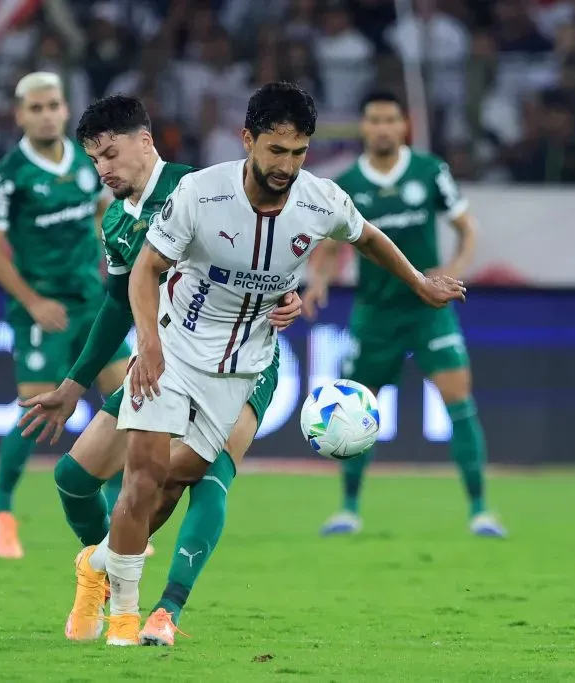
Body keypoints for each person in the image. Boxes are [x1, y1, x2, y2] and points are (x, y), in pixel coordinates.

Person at [107, 81, 465, 646]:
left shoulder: (319, 199)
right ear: (248, 140)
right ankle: (125, 618)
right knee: (143, 477)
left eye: (299, 153)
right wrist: (147, 345)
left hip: (243, 366)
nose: (287, 165)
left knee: (179, 483)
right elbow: (145, 268)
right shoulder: (201, 194)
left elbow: (369, 239)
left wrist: (419, 281)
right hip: (173, 351)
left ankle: (102, 560)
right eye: (276, 150)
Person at [16, 94, 301, 646]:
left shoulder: (202, 189)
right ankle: (101, 566)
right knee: (73, 479)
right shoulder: (119, 221)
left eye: (112, 154)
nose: (103, 169)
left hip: (243, 360)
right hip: (163, 358)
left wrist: (287, 295)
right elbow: (119, 304)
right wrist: (73, 386)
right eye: (95, 159)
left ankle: (164, 611)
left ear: (145, 142)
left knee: (204, 475)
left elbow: (269, 245)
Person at [302, 91, 506, 539]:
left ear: (403, 126)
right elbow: (331, 245)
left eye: (390, 119)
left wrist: (451, 271)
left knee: (460, 404)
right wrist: (318, 280)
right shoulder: (348, 184)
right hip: (374, 314)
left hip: (428, 311)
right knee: (354, 410)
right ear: (363, 127)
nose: (381, 127)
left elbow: (467, 228)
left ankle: (480, 511)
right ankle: (349, 509)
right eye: (373, 119)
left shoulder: (430, 172)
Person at [0, 72, 131, 559]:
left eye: (53, 105)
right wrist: (33, 301)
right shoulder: (8, 175)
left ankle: (119, 518)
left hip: (92, 302)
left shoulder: (88, 164)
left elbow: (107, 211)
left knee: (128, 403)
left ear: (66, 110)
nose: (45, 114)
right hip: (42, 310)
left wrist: (111, 256)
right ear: (20, 114)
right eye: (35, 107)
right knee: (35, 412)